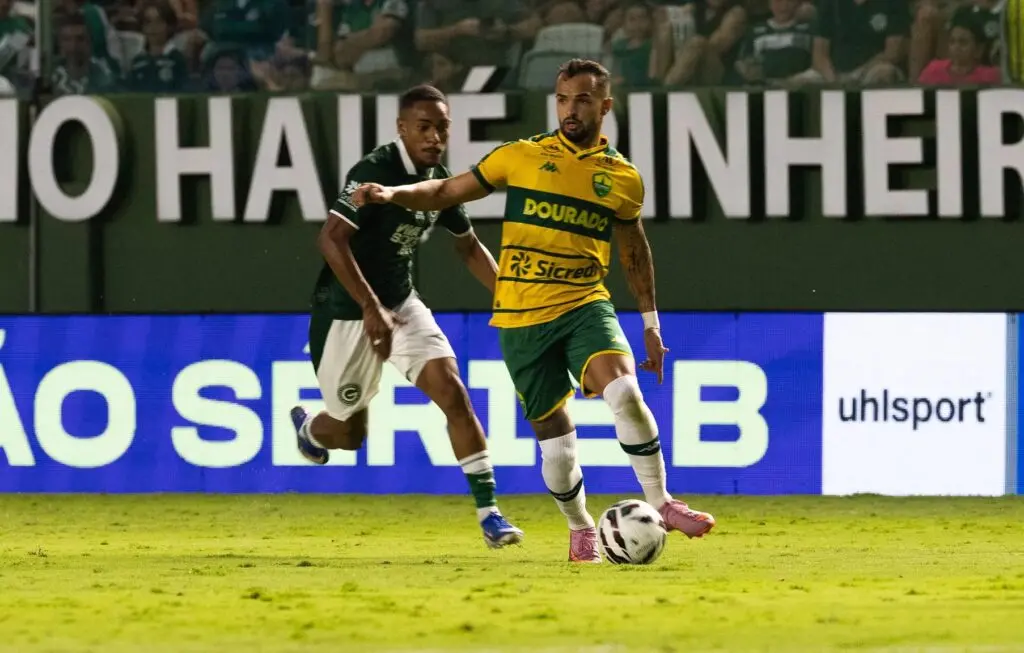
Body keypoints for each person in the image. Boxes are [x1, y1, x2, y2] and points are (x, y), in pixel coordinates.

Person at [352, 59, 716, 564]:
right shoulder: (520, 155)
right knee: (558, 447)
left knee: (626, 393)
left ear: (605, 106)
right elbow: (444, 190)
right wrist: (393, 193)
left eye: (583, 100)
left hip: (584, 303)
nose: (571, 110)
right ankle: (580, 527)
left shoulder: (623, 178)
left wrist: (650, 324)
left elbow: (634, 250)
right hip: (522, 319)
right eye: (563, 99)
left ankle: (662, 501)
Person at [291, 84, 524, 550]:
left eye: (442, 127)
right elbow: (330, 239)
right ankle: (309, 428)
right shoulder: (373, 171)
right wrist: (369, 306)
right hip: (346, 312)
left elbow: (468, 247)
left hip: (401, 303)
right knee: (349, 434)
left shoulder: (438, 181)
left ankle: (490, 515)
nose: (435, 136)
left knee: (454, 394)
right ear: (402, 128)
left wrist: (514, 299)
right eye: (424, 127)